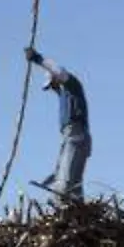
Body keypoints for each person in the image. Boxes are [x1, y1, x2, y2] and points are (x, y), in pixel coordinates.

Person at [25, 46, 91, 199]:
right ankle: (73, 205)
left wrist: (38, 59)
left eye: (53, 84)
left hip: (76, 134)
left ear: (56, 79)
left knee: (65, 186)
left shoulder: (72, 86)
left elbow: (59, 71)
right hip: (70, 136)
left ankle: (69, 200)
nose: (53, 89)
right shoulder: (63, 97)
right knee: (66, 181)